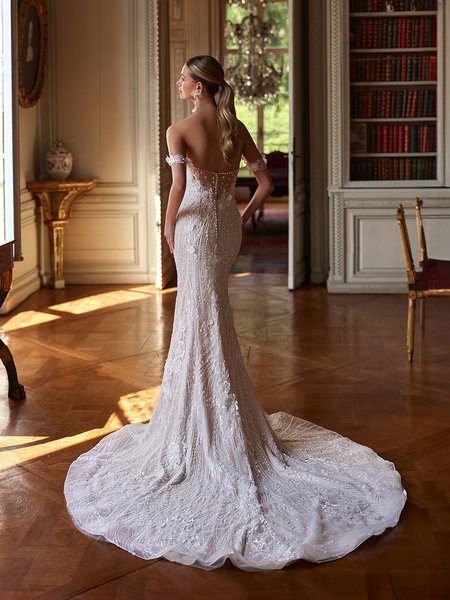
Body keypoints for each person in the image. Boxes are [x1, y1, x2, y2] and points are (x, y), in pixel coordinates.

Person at [64, 55, 406, 571]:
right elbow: (264, 185)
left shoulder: (177, 130)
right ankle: (218, 414)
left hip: (196, 229)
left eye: (183, 77)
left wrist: (167, 230)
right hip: (224, 229)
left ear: (198, 87)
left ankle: (199, 422)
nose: (179, 83)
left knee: (197, 319)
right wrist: (241, 214)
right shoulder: (235, 127)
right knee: (211, 317)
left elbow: (178, 193)